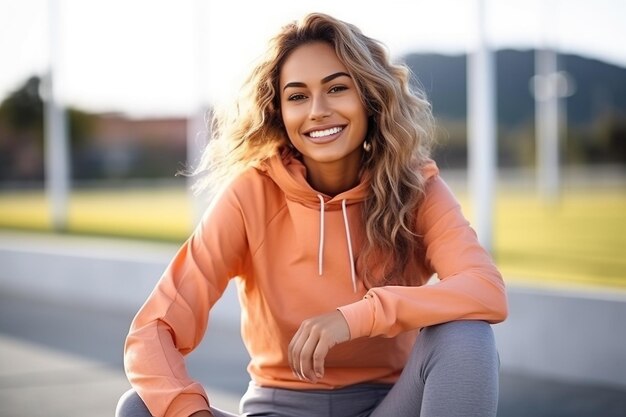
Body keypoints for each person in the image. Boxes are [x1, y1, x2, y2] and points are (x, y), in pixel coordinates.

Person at [116, 12, 508, 417]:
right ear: (279, 112)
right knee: (142, 407)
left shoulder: (416, 188)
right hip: (277, 409)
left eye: (337, 88)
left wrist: (356, 317)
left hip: (388, 406)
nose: (318, 111)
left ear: (369, 98)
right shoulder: (252, 193)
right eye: (298, 96)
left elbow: (485, 290)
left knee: (467, 335)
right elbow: (152, 330)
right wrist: (191, 413)